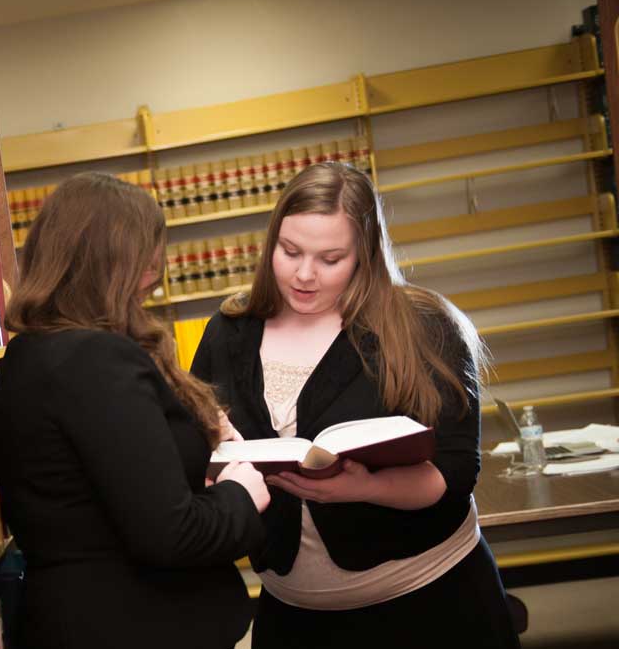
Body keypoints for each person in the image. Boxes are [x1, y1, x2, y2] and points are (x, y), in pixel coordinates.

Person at [190, 162, 519, 648]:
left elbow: (453, 472)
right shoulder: (230, 329)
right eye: (290, 251)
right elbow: (198, 442)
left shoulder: (423, 328)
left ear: (364, 255)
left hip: (430, 605)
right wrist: (209, 459)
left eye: (330, 258)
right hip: (295, 614)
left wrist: (366, 486)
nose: (304, 274)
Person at [0, 172, 270, 649]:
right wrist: (241, 493)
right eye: (145, 264)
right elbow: (170, 535)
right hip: (140, 623)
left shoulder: (27, 356)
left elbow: (92, 497)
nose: (150, 281)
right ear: (112, 263)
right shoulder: (96, 359)